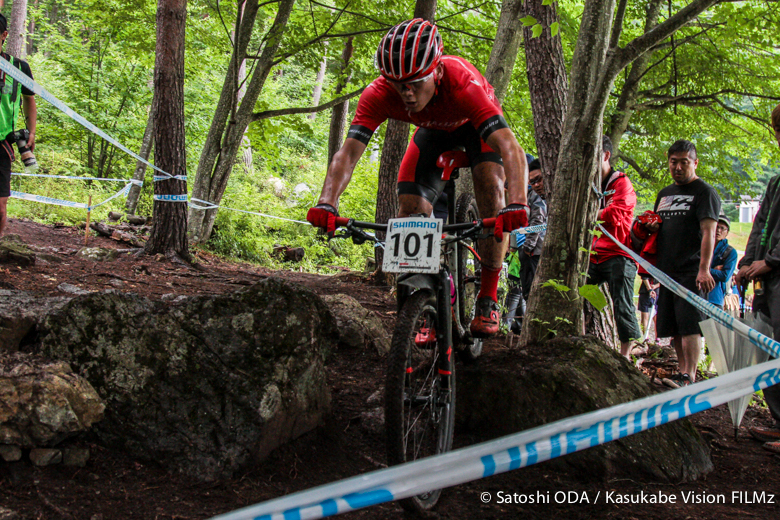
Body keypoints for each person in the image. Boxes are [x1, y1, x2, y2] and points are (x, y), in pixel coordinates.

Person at [307, 19, 530, 338]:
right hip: (433, 132)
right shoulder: (380, 93)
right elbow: (348, 153)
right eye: (398, 85)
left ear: (436, 72)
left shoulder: (464, 83)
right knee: (410, 206)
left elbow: (510, 147)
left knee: (493, 196)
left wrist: (518, 202)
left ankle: (487, 297)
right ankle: (423, 298)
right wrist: (327, 202)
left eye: (415, 82)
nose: (407, 93)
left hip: (475, 129)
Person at [645, 140, 720, 385]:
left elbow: (709, 231)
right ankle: (681, 371)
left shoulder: (704, 192)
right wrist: (653, 226)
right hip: (666, 270)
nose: (677, 167)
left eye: (684, 162)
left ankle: (691, 375)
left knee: (690, 325)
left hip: (691, 270)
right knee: (673, 326)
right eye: (673, 162)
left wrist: (704, 269)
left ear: (695, 163)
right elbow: (659, 226)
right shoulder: (664, 194)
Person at [735, 102, 780, 454]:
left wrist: (770, 261)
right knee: (767, 349)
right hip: (768, 282)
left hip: (775, 272)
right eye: (778, 131)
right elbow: (760, 225)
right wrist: (747, 263)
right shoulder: (776, 181)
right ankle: (779, 421)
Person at [587, 136, 641, 358]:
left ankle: (626, 354)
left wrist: (589, 214)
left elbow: (615, 214)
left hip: (619, 253)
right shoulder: (588, 183)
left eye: (594, 157)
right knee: (578, 293)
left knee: (623, 303)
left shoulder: (622, 182)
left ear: (606, 156)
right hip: (592, 254)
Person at [0, 13, 37, 237]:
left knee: (0, 209)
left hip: (2, 145)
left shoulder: (18, 67)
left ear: (4, 35)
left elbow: (29, 99)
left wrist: (31, 131)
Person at [518, 159, 547, 304]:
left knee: (533, 291)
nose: (535, 185)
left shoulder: (537, 197)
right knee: (527, 290)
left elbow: (538, 221)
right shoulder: (527, 194)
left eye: (538, 180)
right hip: (527, 249)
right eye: (532, 182)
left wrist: (528, 247)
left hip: (534, 250)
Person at [706, 214, 737, 308]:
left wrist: (706, 270)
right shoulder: (702, 247)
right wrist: (713, 270)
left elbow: (725, 276)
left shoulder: (730, 252)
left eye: (722, 228)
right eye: (716, 227)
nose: (718, 230)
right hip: (697, 295)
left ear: (727, 232)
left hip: (715, 298)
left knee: (711, 323)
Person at [637, 274, 659, 338]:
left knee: (655, 317)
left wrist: (651, 288)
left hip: (653, 292)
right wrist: (652, 288)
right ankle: (647, 338)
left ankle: (652, 338)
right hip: (647, 293)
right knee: (645, 317)